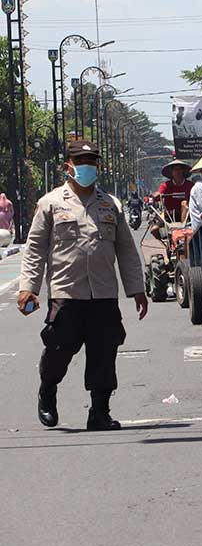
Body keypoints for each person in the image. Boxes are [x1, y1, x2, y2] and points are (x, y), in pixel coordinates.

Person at [17, 140, 147, 431]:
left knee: (104, 353)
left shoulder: (110, 204)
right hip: (67, 292)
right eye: (81, 161)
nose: (88, 166)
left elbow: (126, 250)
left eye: (92, 161)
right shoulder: (50, 203)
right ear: (68, 167)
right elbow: (35, 248)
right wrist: (29, 288)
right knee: (59, 349)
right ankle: (47, 391)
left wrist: (137, 289)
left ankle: (99, 412)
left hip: (103, 293)